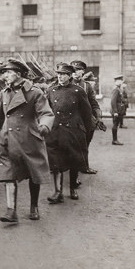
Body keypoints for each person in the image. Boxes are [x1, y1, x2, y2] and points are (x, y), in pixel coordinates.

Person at [0, 59, 55, 222]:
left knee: (34, 173)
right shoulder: (4, 92)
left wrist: (44, 126)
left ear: (18, 74)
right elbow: (0, 115)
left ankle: (34, 207)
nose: (5, 76)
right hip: (6, 138)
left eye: (8, 72)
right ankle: (11, 211)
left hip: (28, 138)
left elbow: (46, 113)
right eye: (4, 72)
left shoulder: (34, 92)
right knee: (8, 174)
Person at [46, 63, 92, 203]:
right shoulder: (51, 90)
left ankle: (72, 188)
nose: (60, 77)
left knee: (74, 160)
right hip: (55, 131)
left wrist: (83, 131)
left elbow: (86, 114)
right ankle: (57, 192)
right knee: (55, 163)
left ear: (70, 75)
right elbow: (47, 111)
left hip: (72, 131)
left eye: (63, 74)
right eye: (58, 74)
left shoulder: (78, 91)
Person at [70, 60, 103, 175]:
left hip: (85, 120)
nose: (75, 73)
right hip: (71, 120)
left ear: (82, 71)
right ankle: (74, 174)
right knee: (73, 147)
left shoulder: (87, 86)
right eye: (73, 70)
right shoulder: (66, 84)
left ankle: (84, 167)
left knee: (85, 145)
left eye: (78, 70)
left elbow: (93, 102)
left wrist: (98, 116)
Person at [110, 74, 125, 145]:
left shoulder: (119, 89)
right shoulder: (116, 89)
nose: (121, 82)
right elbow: (113, 101)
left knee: (116, 124)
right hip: (116, 110)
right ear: (116, 81)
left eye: (121, 80)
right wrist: (115, 111)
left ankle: (115, 139)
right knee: (115, 124)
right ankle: (114, 140)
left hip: (119, 110)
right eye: (119, 80)